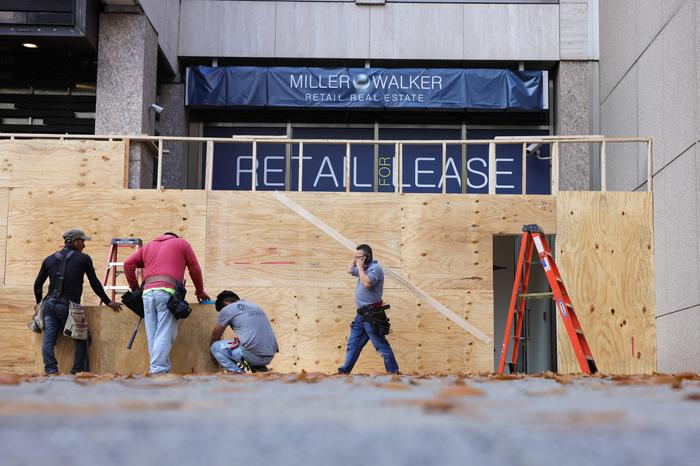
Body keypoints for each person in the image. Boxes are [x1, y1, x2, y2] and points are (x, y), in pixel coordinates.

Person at [34, 228, 122, 374]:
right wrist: (108, 302)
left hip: (49, 304)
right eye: (82, 241)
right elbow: (94, 283)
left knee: (48, 340)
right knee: (82, 338)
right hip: (70, 306)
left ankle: (51, 370)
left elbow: (37, 285)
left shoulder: (49, 259)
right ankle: (77, 372)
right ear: (74, 241)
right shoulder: (84, 259)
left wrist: (38, 304)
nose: (84, 245)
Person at [124, 232, 209, 374]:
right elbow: (194, 268)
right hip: (167, 293)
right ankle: (158, 369)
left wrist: (134, 289)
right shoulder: (182, 243)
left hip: (147, 294)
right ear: (174, 237)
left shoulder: (148, 246)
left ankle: (158, 369)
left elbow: (128, 264)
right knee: (165, 332)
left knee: (153, 334)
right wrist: (199, 291)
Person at [337, 244, 399, 375]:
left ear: (368, 257)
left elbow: (367, 283)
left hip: (372, 315)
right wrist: (356, 260)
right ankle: (344, 371)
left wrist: (360, 267)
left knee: (381, 346)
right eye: (356, 257)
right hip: (361, 315)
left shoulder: (375, 269)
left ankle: (393, 372)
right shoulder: (363, 268)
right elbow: (349, 270)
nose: (357, 260)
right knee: (353, 345)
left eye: (360, 257)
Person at [209, 290, 279, 373]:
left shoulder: (228, 309)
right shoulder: (255, 306)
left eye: (222, 309)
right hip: (270, 354)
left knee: (215, 346)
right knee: (247, 346)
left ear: (226, 303)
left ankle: (236, 373)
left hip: (252, 355)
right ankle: (260, 370)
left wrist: (213, 356)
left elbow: (215, 337)